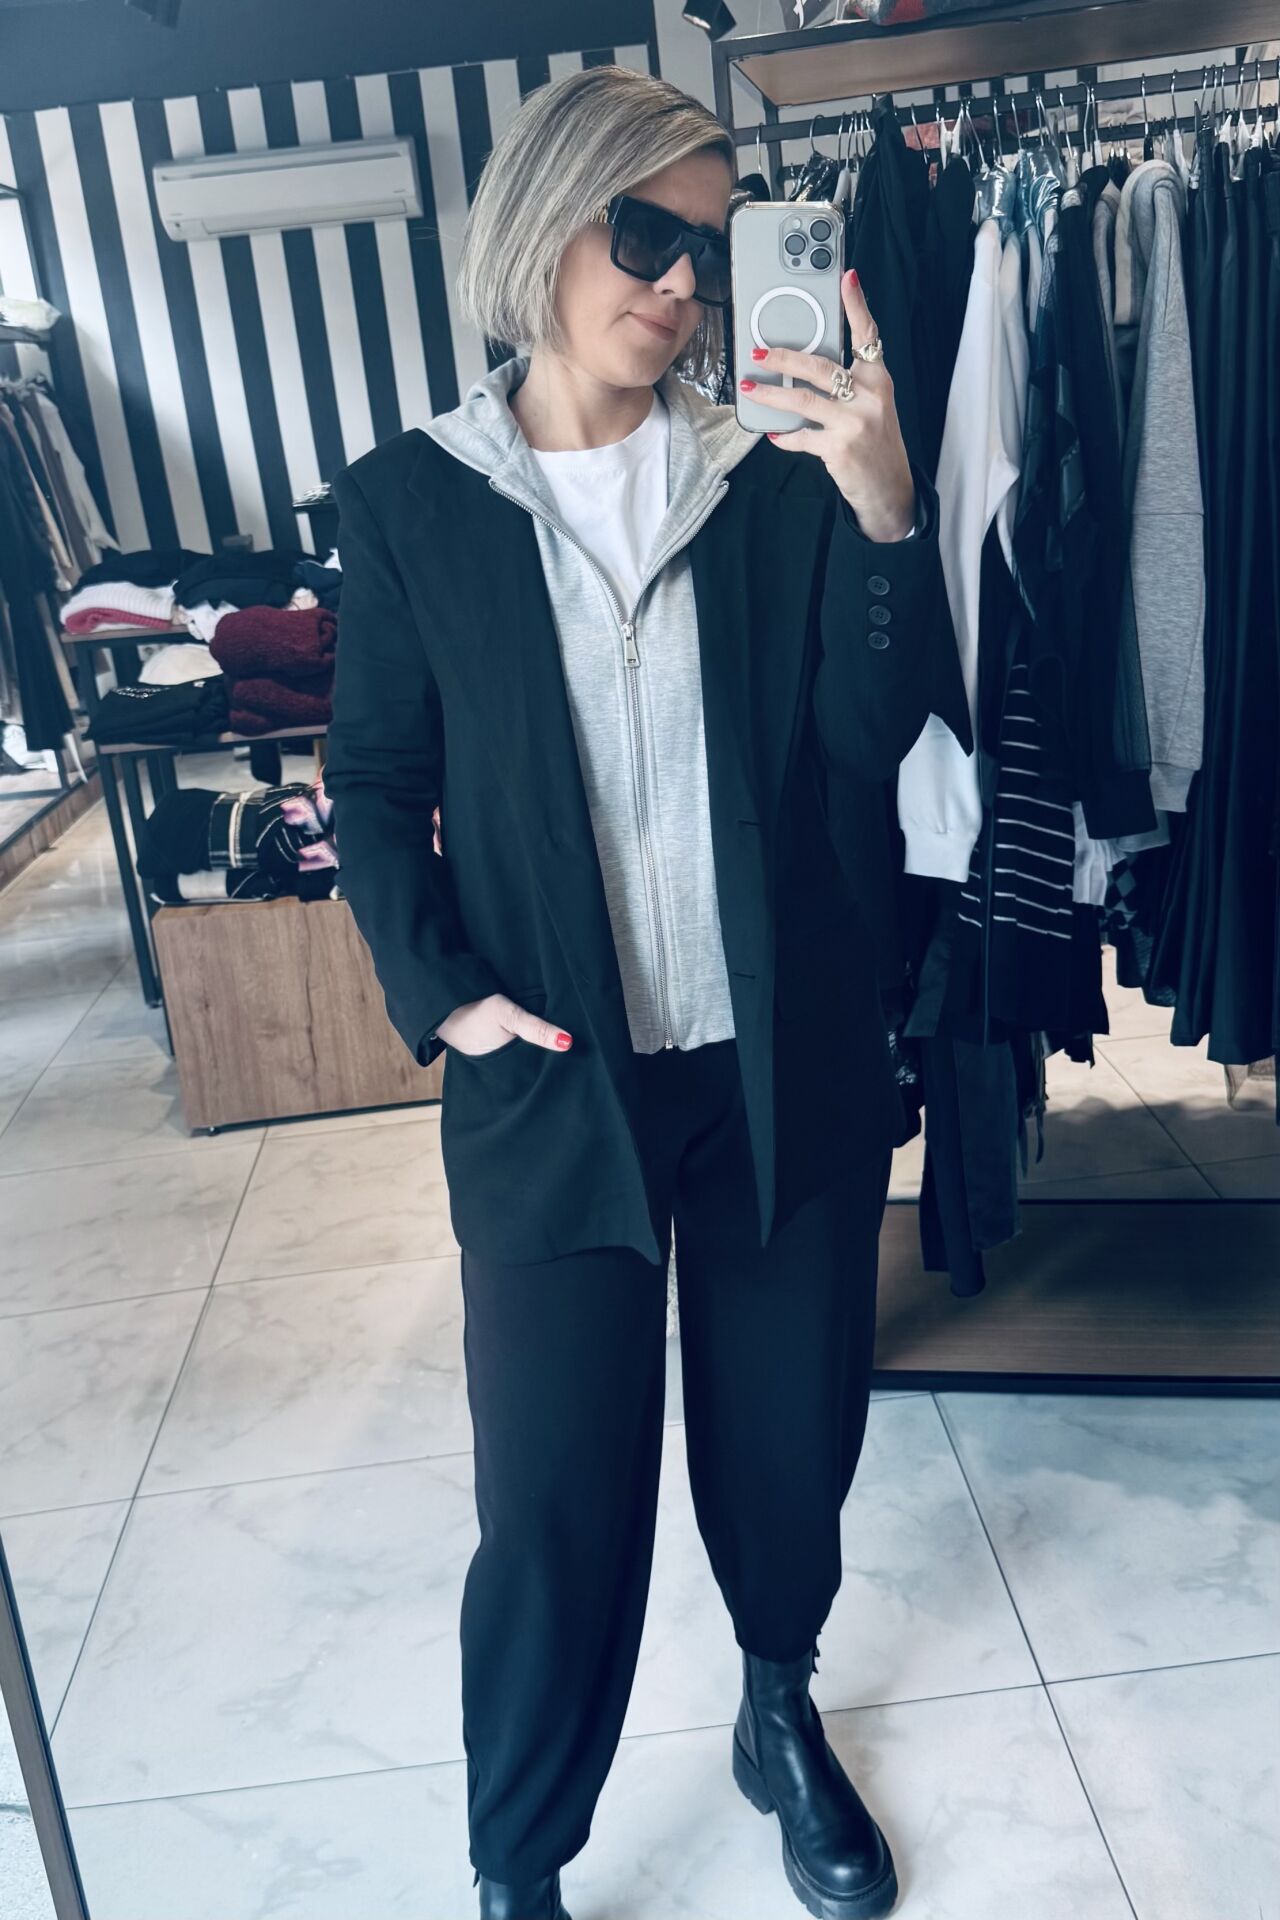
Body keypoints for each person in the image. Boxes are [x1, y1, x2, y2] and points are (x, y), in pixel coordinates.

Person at [324, 64, 970, 1920]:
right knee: (551, 1504)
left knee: (787, 1445)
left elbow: (866, 744)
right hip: (554, 1078)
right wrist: (444, 996)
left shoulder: (770, 478)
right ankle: (519, 1857)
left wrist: (886, 517)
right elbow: (371, 781)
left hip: (779, 1063)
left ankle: (778, 1706)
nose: (684, 282)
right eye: (645, 234)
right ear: (547, 224)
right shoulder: (414, 503)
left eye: (712, 242)